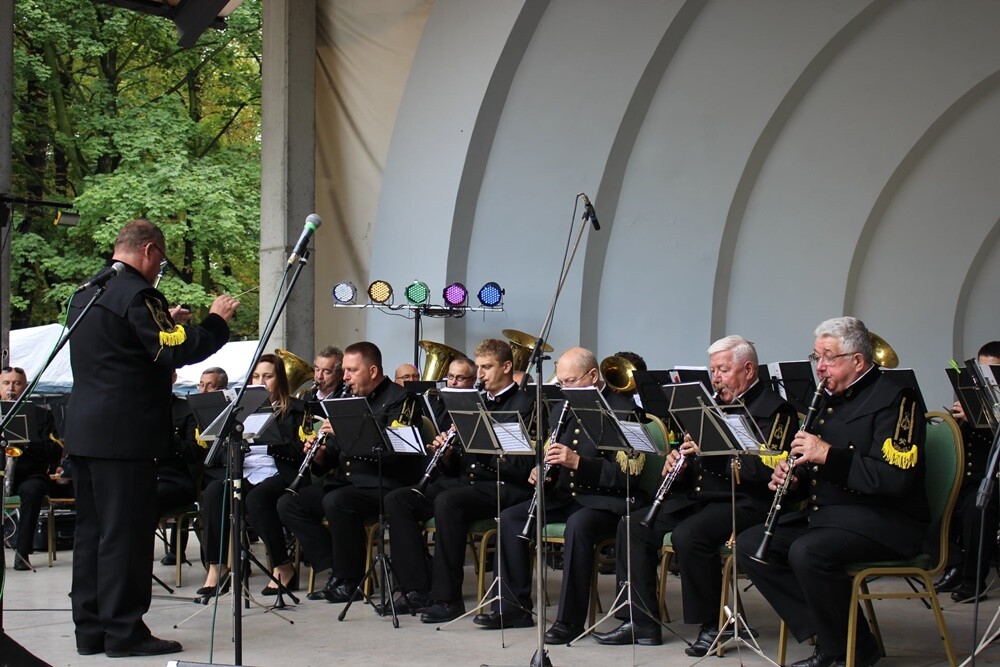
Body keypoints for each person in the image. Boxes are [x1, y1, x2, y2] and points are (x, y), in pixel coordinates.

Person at [64, 219, 238, 658]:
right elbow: (175, 350)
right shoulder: (139, 294)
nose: (160, 267)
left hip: (85, 432)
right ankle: (125, 632)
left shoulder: (87, 291)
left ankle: (91, 631)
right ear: (149, 250)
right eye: (160, 258)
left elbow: (120, 350)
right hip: (126, 436)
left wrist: (165, 322)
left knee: (91, 535)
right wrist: (216, 322)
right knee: (125, 536)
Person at [735, 317, 927, 667]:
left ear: (858, 360)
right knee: (750, 544)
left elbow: (895, 479)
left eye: (829, 357)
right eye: (816, 357)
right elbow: (815, 471)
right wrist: (793, 479)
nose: (820, 367)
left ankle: (841, 648)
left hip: (885, 521)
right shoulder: (827, 398)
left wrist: (827, 454)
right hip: (829, 517)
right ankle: (841, 638)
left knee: (808, 552)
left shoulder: (898, 400)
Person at [594, 335, 797, 651]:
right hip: (701, 497)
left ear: (748, 369)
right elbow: (698, 463)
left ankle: (715, 624)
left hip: (746, 501)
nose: (716, 378)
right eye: (713, 370)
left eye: (723, 370)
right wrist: (679, 465)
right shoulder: (709, 406)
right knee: (633, 526)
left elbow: (766, 472)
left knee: (690, 535)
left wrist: (712, 452)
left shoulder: (776, 411)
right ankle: (641, 621)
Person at [475, 347, 643, 643]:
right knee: (511, 517)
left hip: (608, 501)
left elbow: (627, 475)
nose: (564, 389)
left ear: (593, 375)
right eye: (561, 382)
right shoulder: (561, 407)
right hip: (567, 496)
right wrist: (541, 469)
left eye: (571, 381)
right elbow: (551, 453)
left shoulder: (623, 409)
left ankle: (569, 621)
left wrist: (578, 462)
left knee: (578, 525)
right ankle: (513, 608)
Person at [278, 341, 419, 603]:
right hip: (346, 482)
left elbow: (399, 452)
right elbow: (333, 453)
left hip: (383, 482)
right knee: (289, 503)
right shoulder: (346, 400)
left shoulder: (401, 400)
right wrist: (320, 455)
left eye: (352, 370)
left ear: (373, 371)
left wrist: (348, 433)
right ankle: (335, 568)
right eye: (344, 371)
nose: (345, 377)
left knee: (337, 501)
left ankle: (351, 580)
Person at [415, 339, 535, 623]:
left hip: (507, 485)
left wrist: (484, 445)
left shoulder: (525, 404)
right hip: (471, 482)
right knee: (403, 499)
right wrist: (447, 455)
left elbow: (522, 466)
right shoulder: (475, 401)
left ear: (506, 367)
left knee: (448, 502)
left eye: (486, 367)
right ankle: (416, 588)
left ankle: (447, 599)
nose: (479, 374)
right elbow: (463, 461)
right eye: (478, 367)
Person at [198, 354, 307, 597]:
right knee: (214, 492)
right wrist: (232, 447)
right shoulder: (241, 410)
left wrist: (273, 439)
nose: (261, 382)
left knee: (257, 499)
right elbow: (222, 454)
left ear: (280, 379)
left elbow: (300, 453)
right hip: (246, 471)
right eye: (256, 377)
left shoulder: (296, 410)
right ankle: (217, 567)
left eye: (267, 376)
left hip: (279, 472)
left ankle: (283, 566)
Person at [936, 341, 1000, 602]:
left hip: (993, 481)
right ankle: (955, 564)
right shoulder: (972, 396)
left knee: (976, 508)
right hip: (969, 479)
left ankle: (974, 580)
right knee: (928, 499)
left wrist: (984, 418)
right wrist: (959, 422)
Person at [1, 365, 63, 571]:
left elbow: (55, 451)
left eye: (17, 383)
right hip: (2, 472)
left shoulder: (41, 415)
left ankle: (22, 552)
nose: (11, 388)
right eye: (6, 383)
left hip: (30, 474)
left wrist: (26, 443)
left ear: (25, 387)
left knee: (33, 490)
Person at [157, 372, 201, 567]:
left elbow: (194, 452)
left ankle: (174, 551)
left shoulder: (187, 409)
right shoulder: (140, 407)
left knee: (146, 496)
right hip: (148, 475)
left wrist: (169, 435)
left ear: (173, 377)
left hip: (176, 479)